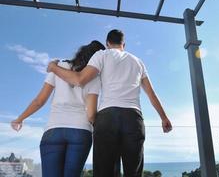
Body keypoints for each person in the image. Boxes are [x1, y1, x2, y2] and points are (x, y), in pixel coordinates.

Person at [47, 29, 172, 177]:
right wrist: (164, 117)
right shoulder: (138, 62)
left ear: (107, 43)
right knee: (133, 173)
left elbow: (79, 79)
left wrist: (54, 68)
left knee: (104, 173)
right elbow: (151, 93)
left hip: (107, 118)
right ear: (123, 44)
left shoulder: (102, 55)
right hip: (133, 118)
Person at [11, 40, 106, 177]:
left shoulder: (59, 66)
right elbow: (91, 114)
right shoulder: (95, 78)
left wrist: (20, 119)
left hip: (53, 130)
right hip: (81, 131)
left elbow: (39, 101)